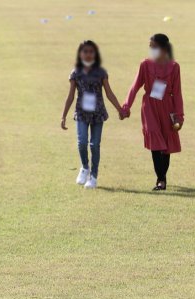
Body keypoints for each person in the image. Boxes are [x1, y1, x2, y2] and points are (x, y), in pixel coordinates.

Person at [122, 33, 184, 190]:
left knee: (166, 143)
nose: (151, 50)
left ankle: (162, 177)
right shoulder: (145, 64)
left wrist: (179, 117)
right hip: (149, 106)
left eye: (154, 47)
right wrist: (126, 106)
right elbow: (135, 86)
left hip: (167, 107)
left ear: (163, 49)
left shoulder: (174, 67)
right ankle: (160, 179)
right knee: (156, 140)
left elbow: (177, 93)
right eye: (150, 47)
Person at [61, 40, 124, 189]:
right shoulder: (75, 73)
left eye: (91, 52)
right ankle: (85, 167)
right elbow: (70, 96)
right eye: (85, 51)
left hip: (98, 113)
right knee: (82, 143)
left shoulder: (101, 72)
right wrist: (63, 116)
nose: (88, 54)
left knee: (95, 145)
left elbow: (109, 93)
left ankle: (93, 177)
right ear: (80, 54)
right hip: (82, 113)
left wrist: (119, 109)